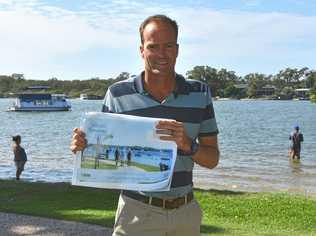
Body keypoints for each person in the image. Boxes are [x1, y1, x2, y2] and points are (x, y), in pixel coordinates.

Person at [71, 14, 220, 236]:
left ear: (177, 49)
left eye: (168, 46)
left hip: (185, 215)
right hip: (136, 213)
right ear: (142, 50)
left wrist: (189, 145)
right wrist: (83, 147)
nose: (161, 54)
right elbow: (100, 152)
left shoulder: (199, 93)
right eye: (153, 46)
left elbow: (212, 159)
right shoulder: (117, 94)